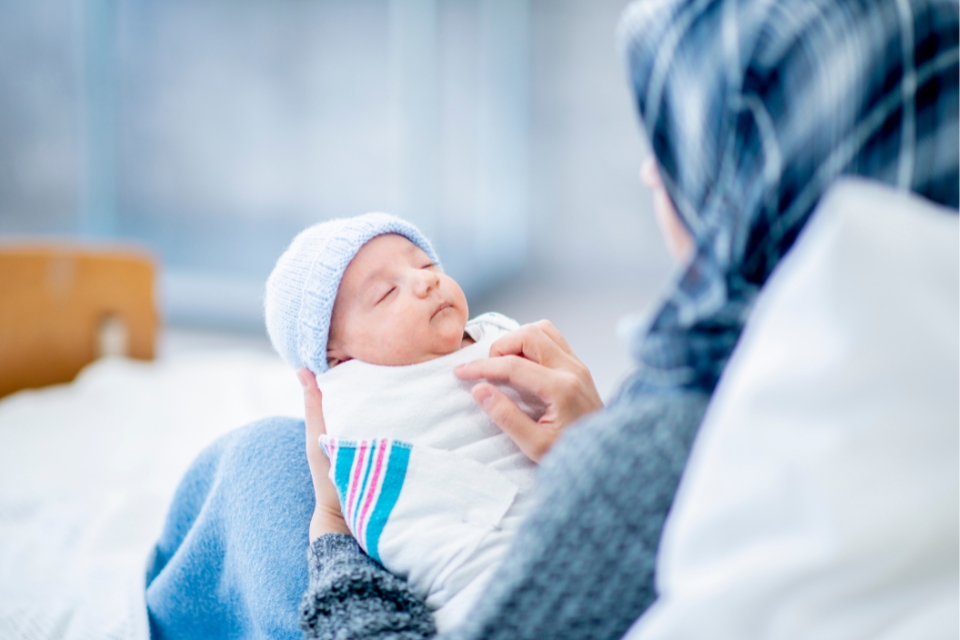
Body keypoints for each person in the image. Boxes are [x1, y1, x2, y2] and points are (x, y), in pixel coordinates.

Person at [144, 0, 958, 638]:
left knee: (256, 466)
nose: (649, 171)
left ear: (751, 169)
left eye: (678, 145)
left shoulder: (667, 444)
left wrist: (330, 535)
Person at [262, 213, 568, 631]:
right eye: (387, 293)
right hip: (479, 583)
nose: (426, 282)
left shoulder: (502, 337)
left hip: (570, 529)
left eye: (426, 266)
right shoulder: (356, 412)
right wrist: (332, 516)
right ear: (338, 358)